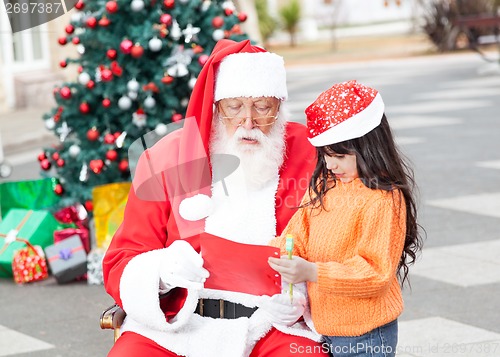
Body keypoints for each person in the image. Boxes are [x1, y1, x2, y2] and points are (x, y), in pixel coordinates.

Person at [103, 39, 329, 357]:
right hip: (178, 324)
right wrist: (163, 271)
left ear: (279, 106)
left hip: (273, 323)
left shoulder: (312, 154)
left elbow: (347, 241)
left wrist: (302, 291)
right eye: (234, 107)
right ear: (216, 106)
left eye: (262, 107)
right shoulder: (166, 158)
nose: (248, 122)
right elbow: (122, 259)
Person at [268, 80, 424, 357]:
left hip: (368, 334)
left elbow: (376, 272)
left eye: (339, 155)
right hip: (326, 327)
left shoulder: (382, 197)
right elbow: (296, 236)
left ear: (368, 146)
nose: (329, 165)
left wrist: (312, 272)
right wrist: (268, 253)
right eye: (325, 155)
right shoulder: (325, 184)